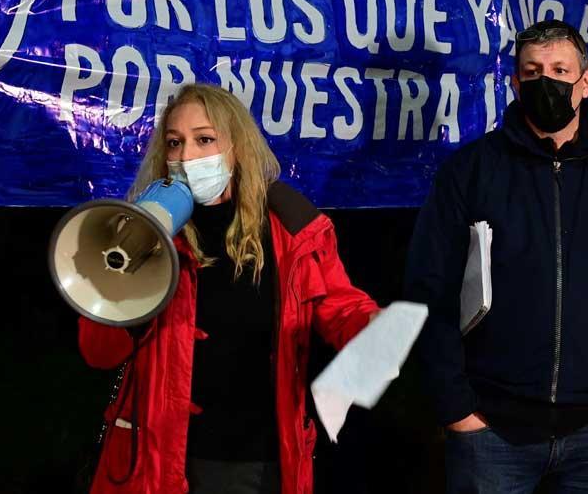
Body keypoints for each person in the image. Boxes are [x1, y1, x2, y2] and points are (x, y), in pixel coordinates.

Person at [403, 19, 588, 493]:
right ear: (514, 82)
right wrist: (456, 407)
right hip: (491, 431)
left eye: (560, 69)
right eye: (532, 72)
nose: (546, 82)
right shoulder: (470, 172)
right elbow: (428, 289)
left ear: (586, 81)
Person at [78, 83, 380, 494]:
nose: (187, 156)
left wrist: (374, 327)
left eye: (204, 140)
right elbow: (99, 353)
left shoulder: (291, 230)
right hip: (161, 460)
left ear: (237, 146)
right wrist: (120, 270)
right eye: (174, 143)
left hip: (258, 463)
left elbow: (337, 306)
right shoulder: (145, 234)